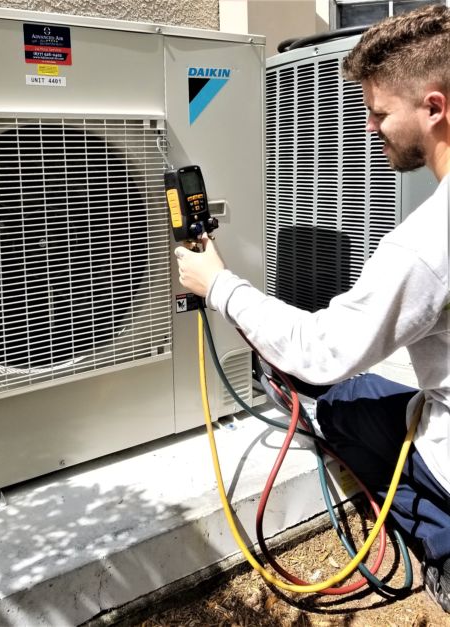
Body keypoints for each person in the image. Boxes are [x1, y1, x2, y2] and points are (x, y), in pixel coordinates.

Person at [175, 4, 450, 613]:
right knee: (369, 391)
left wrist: (216, 283)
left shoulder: (427, 242)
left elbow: (323, 352)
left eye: (380, 112)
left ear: (433, 108)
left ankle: (443, 543)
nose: (371, 127)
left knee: (334, 399)